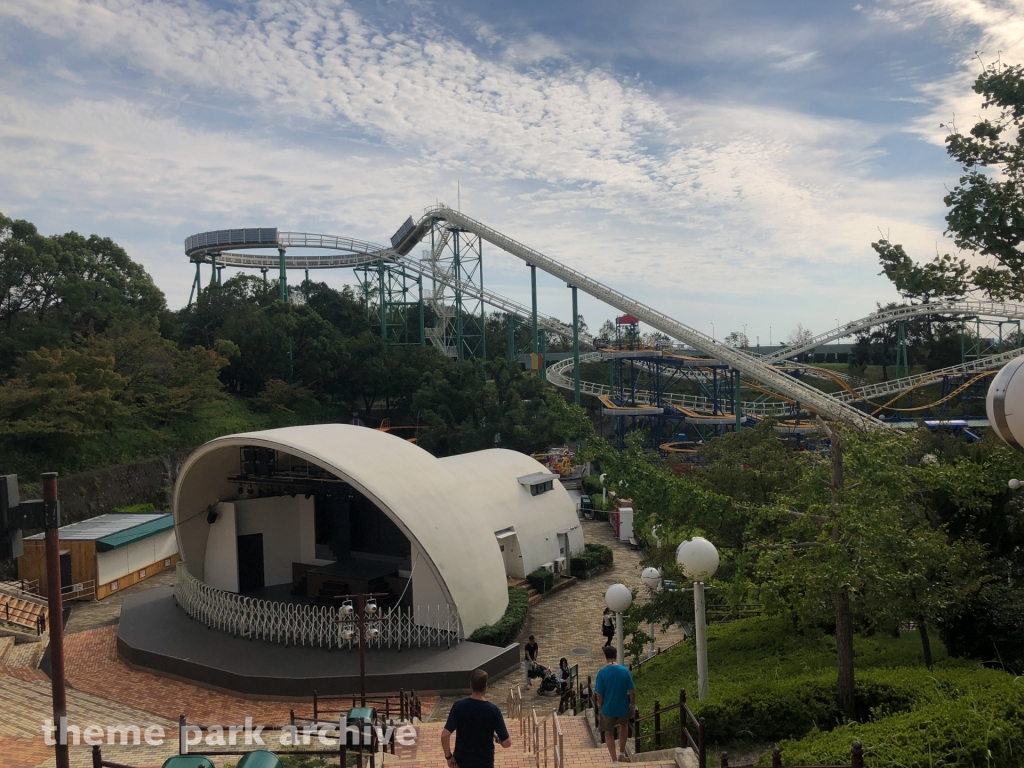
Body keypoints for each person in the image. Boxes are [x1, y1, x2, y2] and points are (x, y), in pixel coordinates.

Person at [442, 669, 511, 768]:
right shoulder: (493, 710)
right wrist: (497, 739)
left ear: (471, 685)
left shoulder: (458, 706)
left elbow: (445, 735)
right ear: (485, 687)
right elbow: (507, 743)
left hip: (461, 763)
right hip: (485, 763)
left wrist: (449, 757)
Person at [595, 644, 635, 762]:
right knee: (624, 726)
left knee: (609, 733)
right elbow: (632, 691)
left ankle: (614, 760)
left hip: (607, 708)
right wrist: (632, 706)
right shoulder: (625, 671)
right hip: (623, 707)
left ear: (606, 657)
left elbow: (599, 694)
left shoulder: (601, 673)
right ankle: (622, 753)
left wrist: (600, 705)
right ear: (616, 655)